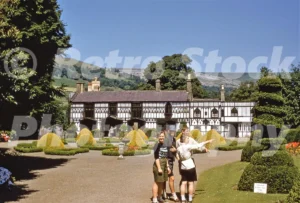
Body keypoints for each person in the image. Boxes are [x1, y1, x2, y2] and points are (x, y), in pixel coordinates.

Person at [177, 134, 213, 203]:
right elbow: (198, 145)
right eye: (187, 138)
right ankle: (190, 199)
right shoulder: (187, 146)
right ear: (184, 139)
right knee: (190, 183)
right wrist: (208, 141)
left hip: (183, 167)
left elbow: (178, 156)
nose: (188, 139)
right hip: (190, 166)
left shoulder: (179, 148)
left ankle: (183, 199)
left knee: (183, 183)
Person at [152, 131, 171, 203]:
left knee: (162, 182)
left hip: (164, 163)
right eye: (160, 136)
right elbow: (156, 157)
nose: (161, 137)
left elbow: (166, 157)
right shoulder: (157, 145)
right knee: (157, 182)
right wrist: (159, 168)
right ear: (158, 137)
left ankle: (159, 197)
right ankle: (154, 199)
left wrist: (168, 166)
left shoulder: (165, 145)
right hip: (158, 164)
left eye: (162, 136)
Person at [162, 125, 179, 201]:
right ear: (168, 131)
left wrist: (179, 159)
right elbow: (163, 152)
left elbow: (175, 151)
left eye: (174, 131)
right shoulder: (166, 140)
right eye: (171, 131)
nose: (173, 132)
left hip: (171, 160)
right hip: (166, 160)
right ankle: (173, 195)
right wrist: (167, 165)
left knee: (165, 178)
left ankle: (164, 193)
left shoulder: (174, 139)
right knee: (171, 177)